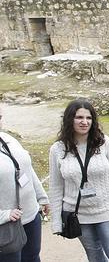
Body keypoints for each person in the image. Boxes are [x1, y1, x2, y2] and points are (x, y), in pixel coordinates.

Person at [49, 99, 109, 262]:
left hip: (106, 209)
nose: (84, 122)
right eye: (79, 117)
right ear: (69, 120)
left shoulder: (105, 143)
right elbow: (55, 186)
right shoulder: (57, 149)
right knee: (94, 255)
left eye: (88, 118)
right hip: (77, 214)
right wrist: (56, 221)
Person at [0, 109, 49, 262]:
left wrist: (42, 197)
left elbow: (26, 169)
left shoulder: (8, 138)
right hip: (6, 225)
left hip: (30, 215)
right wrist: (3, 215)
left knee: (33, 258)